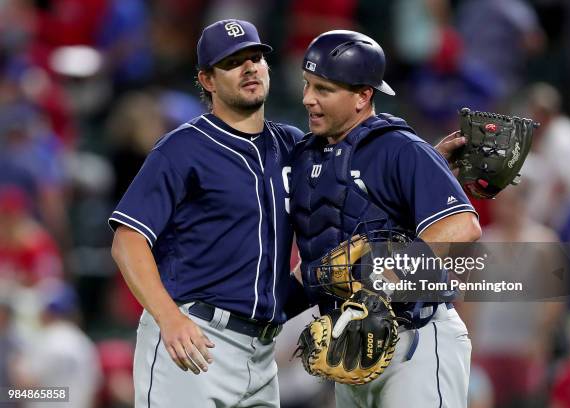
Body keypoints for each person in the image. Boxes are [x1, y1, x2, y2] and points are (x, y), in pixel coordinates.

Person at [109, 19, 306, 407]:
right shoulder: (182, 149)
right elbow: (127, 241)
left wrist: (429, 165)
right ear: (208, 80)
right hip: (195, 338)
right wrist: (169, 318)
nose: (250, 68)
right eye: (233, 62)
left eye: (255, 57)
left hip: (263, 352)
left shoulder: (293, 145)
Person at [289, 30, 481, 408]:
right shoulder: (308, 158)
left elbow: (461, 228)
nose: (307, 99)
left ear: (363, 95)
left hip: (417, 342)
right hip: (352, 348)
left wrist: (384, 282)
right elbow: (317, 266)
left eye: (324, 89)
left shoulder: (401, 147)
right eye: (308, 84)